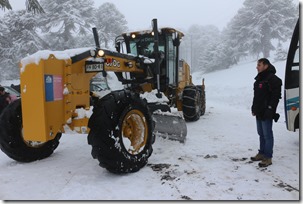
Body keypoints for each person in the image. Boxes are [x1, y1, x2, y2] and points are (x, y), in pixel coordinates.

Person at [251, 58, 282, 167]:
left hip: (267, 112)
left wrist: (270, 109)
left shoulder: (273, 80)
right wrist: (253, 108)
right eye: (257, 65)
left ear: (266, 66)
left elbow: (275, 97)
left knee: (267, 135)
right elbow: (257, 97)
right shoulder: (259, 79)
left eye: (259, 65)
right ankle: (261, 153)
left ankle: (268, 157)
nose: (257, 67)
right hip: (259, 111)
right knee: (261, 134)